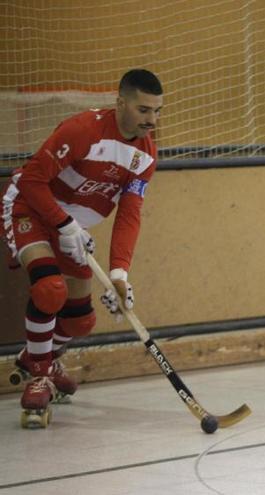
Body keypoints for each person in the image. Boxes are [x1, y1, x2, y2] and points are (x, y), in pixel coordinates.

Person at [2, 69, 163, 428]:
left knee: (81, 321)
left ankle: (36, 356)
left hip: (72, 228)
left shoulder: (147, 157)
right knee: (49, 289)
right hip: (30, 207)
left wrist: (120, 272)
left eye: (156, 111)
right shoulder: (83, 130)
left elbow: (129, 214)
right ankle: (40, 375)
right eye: (143, 110)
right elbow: (32, 180)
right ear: (120, 102)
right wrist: (63, 223)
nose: (151, 120)